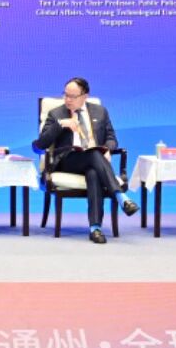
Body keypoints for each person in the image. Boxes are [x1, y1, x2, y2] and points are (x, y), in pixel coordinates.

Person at [33, 78, 129, 244]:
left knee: (93, 172)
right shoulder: (56, 114)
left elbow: (111, 138)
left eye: (72, 96)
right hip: (68, 161)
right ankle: (121, 197)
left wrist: (108, 148)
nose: (67, 99)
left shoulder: (100, 111)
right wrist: (60, 124)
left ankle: (95, 229)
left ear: (85, 96)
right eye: (65, 95)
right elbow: (39, 145)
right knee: (95, 155)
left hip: (94, 161)